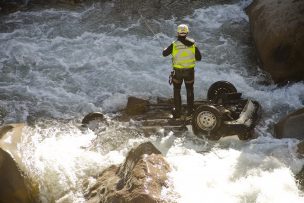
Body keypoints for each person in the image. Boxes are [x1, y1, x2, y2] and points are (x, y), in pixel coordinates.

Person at [163, 24, 202, 118]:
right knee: (190, 90)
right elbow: (199, 58)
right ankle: (190, 112)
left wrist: (164, 49)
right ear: (187, 33)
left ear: (178, 33)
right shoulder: (193, 45)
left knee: (177, 90)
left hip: (178, 72)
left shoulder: (174, 44)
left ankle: (177, 112)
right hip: (190, 72)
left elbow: (164, 54)